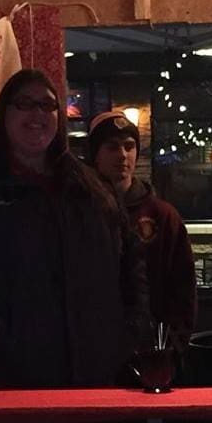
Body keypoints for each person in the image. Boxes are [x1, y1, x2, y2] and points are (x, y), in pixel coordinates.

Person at [0, 68, 147, 388]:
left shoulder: (91, 187)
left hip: (98, 379)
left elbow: (132, 268)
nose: (37, 114)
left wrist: (127, 336)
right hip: (6, 381)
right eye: (24, 104)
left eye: (47, 105)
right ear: (2, 114)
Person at [86, 111, 197, 353]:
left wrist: (173, 345)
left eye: (129, 146)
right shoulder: (80, 214)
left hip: (151, 349)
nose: (122, 155)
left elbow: (182, 288)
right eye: (112, 147)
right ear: (95, 153)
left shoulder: (162, 216)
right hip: (93, 346)